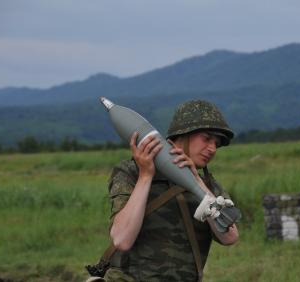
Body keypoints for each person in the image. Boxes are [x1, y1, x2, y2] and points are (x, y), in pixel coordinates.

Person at [98, 100, 239, 282]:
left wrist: (198, 184)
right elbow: (122, 240)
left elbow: (230, 237)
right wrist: (146, 176)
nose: (212, 148)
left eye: (217, 143)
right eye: (207, 138)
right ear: (184, 135)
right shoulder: (131, 172)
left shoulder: (208, 185)